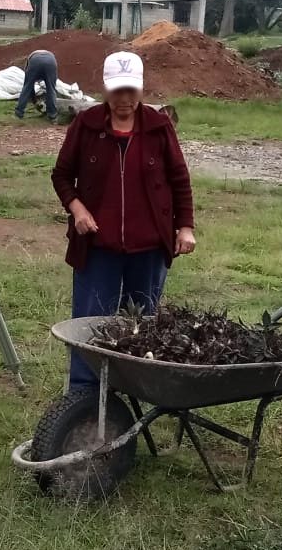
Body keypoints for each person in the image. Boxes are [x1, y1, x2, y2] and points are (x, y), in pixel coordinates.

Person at [51, 52, 196, 392]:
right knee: (89, 322)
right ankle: (83, 395)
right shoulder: (85, 125)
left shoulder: (159, 128)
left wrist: (185, 227)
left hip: (148, 247)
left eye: (131, 91)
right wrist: (78, 209)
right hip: (97, 247)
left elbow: (180, 180)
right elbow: (61, 175)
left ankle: (132, 391)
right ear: (105, 88)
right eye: (118, 91)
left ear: (141, 89)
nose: (125, 100)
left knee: (141, 324)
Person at [15, 49, 59, 121]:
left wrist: (34, 100)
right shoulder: (50, 55)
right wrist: (35, 101)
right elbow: (52, 85)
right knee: (51, 89)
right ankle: (52, 115)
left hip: (35, 61)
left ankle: (19, 113)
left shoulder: (28, 62)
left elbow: (29, 87)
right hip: (51, 61)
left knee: (27, 87)